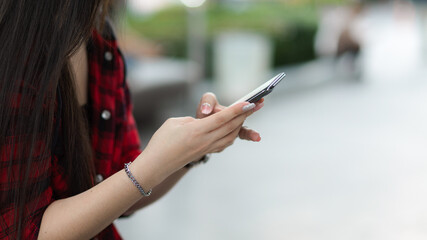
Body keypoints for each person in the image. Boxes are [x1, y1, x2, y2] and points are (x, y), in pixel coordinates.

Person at [0, 0, 264, 239]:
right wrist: (152, 164)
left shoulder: (100, 42)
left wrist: (193, 149)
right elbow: (25, 230)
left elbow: (120, 189)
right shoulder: (14, 61)